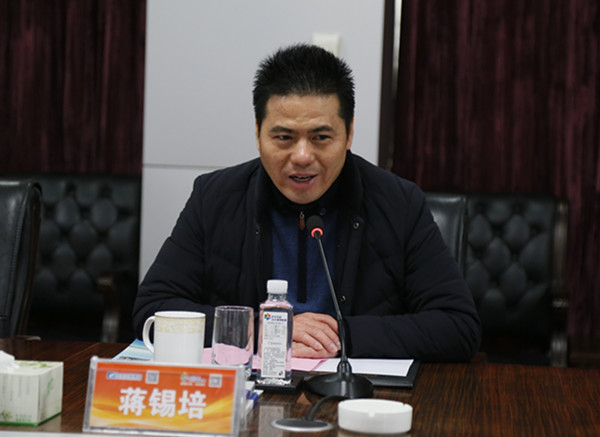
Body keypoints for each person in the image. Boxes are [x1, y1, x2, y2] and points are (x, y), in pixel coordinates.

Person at [133, 43, 481, 362]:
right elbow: (152, 310)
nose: (302, 156)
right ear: (258, 132)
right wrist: (262, 330)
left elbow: (458, 326)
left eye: (321, 137)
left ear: (349, 133)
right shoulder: (215, 198)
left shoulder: (398, 203)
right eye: (284, 137)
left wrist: (339, 336)